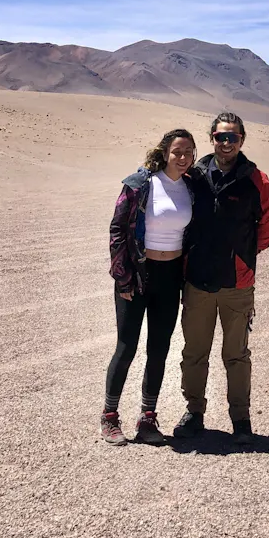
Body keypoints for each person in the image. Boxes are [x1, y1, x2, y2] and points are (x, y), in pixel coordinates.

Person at [172, 112, 269, 444]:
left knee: (236, 355)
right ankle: (194, 412)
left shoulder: (257, 181)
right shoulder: (194, 176)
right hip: (197, 282)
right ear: (212, 138)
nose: (226, 143)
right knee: (194, 352)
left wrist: (244, 255)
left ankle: (241, 418)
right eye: (221, 136)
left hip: (237, 286)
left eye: (232, 137)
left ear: (242, 140)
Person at [101, 128, 196, 445]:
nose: (182, 158)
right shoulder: (140, 184)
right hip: (138, 275)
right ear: (165, 152)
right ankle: (110, 417)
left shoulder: (190, 188)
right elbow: (117, 229)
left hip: (170, 277)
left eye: (188, 152)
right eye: (177, 152)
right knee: (126, 346)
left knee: (159, 349)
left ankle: (148, 419)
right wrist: (122, 276)